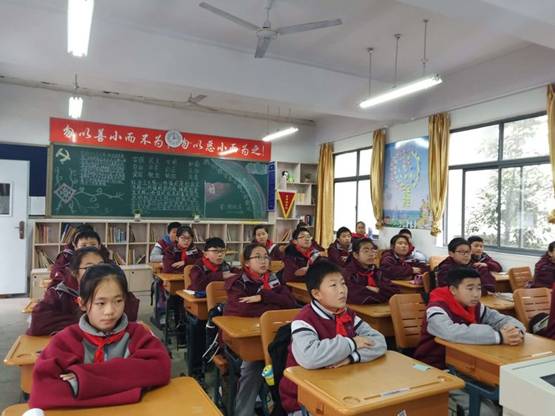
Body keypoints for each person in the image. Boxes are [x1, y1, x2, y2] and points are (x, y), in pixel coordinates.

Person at [29, 263, 171, 409]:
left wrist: (83, 381)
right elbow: (42, 393)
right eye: (100, 303)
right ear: (82, 303)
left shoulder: (137, 334)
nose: (110, 311)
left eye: (118, 301)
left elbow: (161, 369)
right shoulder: (66, 340)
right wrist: (129, 386)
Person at [279, 260, 387, 415]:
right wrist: (352, 343)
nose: (342, 290)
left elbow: (379, 341)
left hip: (341, 389)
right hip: (304, 399)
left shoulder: (346, 314)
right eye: (333, 285)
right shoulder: (304, 320)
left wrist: (351, 357)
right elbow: (310, 357)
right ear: (316, 294)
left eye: (343, 283)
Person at [413, 267, 525, 416]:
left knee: (514, 399)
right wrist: (498, 336)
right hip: (437, 368)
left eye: (479, 288)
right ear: (453, 290)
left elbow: (500, 319)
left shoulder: (475, 306)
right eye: (470, 288)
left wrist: (516, 331)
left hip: (467, 366)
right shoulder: (437, 307)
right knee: (487, 412)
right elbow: (450, 332)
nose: (476, 294)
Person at [224, 244, 298, 416]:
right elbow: (244, 309)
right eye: (258, 257)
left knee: (288, 359)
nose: (264, 261)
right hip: (244, 340)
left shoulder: (272, 279)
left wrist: (264, 296)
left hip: (273, 337)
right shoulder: (238, 282)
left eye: (266, 256)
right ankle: (244, 413)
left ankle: (282, 407)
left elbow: (290, 303)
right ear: (247, 263)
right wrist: (275, 305)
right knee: (253, 365)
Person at [28, 247, 140, 336]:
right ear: (74, 272)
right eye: (89, 268)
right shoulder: (59, 292)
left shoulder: (112, 287)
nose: (97, 272)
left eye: (101, 266)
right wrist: (88, 322)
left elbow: (130, 312)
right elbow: (38, 322)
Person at [343, 238, 399, 304]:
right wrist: (383, 294)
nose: (371, 254)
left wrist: (377, 290)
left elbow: (395, 291)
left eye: (373, 250)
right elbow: (353, 295)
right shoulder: (349, 273)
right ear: (356, 255)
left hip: (379, 307)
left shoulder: (377, 272)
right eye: (366, 251)